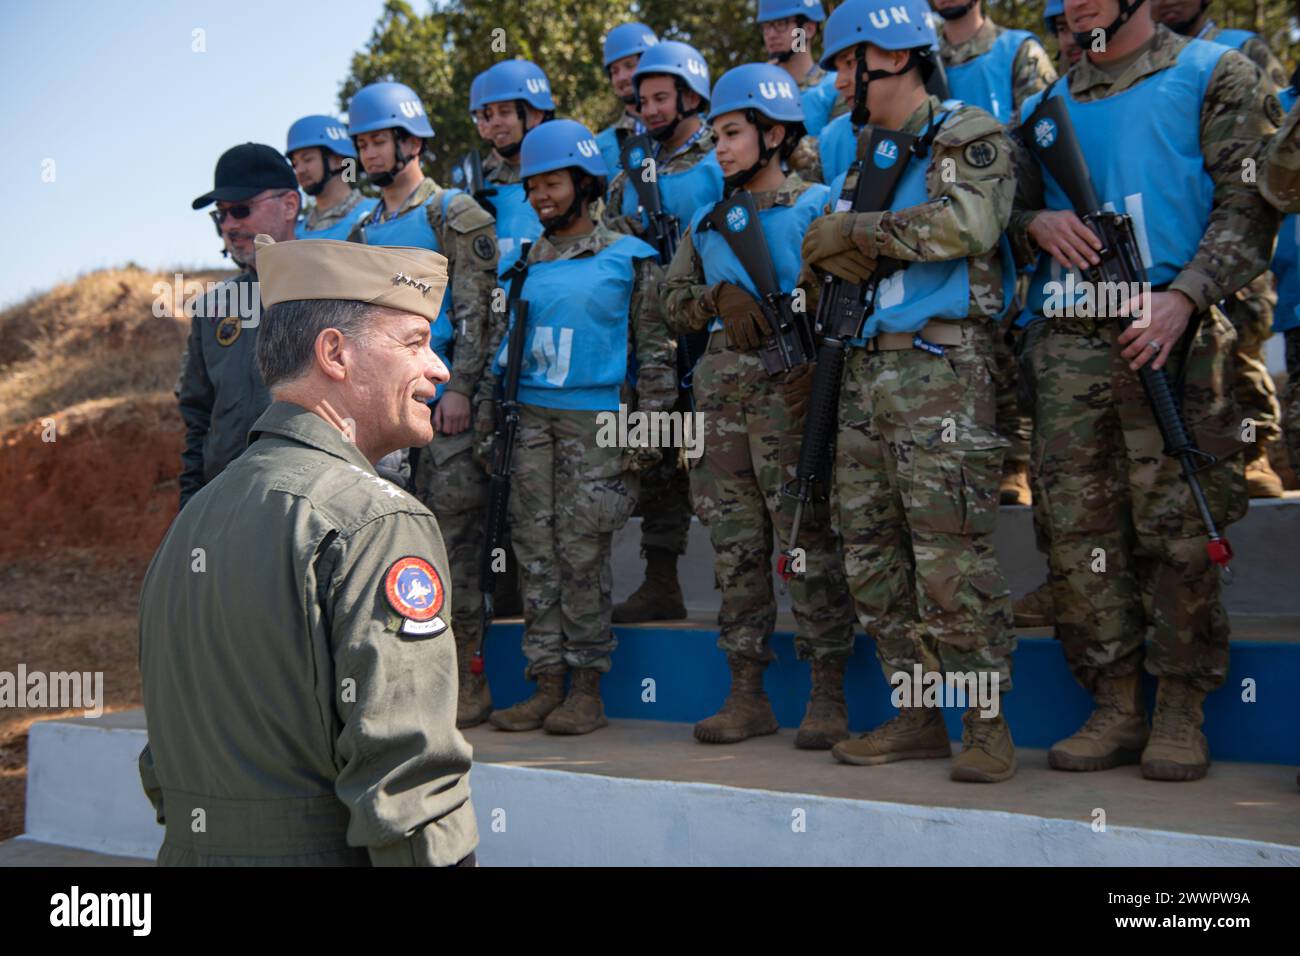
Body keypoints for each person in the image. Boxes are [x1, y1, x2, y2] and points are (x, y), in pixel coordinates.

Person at [138, 236, 477, 865]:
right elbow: (408, 783)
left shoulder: (193, 522)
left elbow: (165, 765)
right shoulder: (376, 518)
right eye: (413, 342)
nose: (440, 368)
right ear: (335, 353)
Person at [1010, 0, 1277, 780]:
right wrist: (1033, 223)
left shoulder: (1214, 74)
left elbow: (1251, 202)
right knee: (1078, 529)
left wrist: (1188, 293)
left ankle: (1181, 710)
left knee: (1178, 529)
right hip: (1067, 343)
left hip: (1175, 331)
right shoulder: (1043, 107)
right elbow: (1004, 206)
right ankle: (1116, 703)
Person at [802, 0, 1018, 781]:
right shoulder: (862, 152)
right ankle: (916, 712)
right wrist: (822, 252)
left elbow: (967, 225)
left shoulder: (967, 133)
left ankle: (986, 724)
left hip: (940, 372)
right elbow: (834, 245)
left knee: (950, 556)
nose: (835, 79)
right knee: (871, 556)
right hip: (862, 370)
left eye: (841, 62)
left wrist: (856, 235)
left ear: (881, 58)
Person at [663, 63, 857, 748]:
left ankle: (827, 692)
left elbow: (842, 300)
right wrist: (717, 298)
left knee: (806, 539)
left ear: (773, 133)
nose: (720, 147)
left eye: (734, 133)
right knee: (734, 547)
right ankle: (746, 691)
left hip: (791, 392)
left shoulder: (818, 204)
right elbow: (668, 301)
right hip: (720, 399)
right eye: (715, 134)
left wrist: (823, 372)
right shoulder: (708, 218)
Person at [475, 120, 675, 735]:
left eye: (553, 182)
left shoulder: (631, 258)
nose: (540, 196)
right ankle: (545, 684)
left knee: (582, 553)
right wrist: (487, 419)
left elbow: (657, 354)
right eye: (532, 184)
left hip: (598, 421)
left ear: (585, 183)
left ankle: (586, 688)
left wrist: (649, 434)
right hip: (528, 419)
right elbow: (495, 348)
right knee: (535, 556)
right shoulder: (520, 265)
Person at [346, 80, 502, 728]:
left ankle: (469, 684)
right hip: (381, 414)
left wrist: (461, 387)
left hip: (444, 407)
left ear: (411, 142)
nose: (366, 151)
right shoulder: (361, 228)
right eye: (359, 141)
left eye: (376, 139)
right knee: (385, 547)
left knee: (455, 545)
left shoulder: (455, 214)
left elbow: (475, 310)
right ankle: (402, 682)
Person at [605, 40, 725, 623]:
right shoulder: (630, 165)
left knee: (719, 454)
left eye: (661, 97)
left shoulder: (720, 154)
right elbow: (606, 240)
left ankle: (743, 584)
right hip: (646, 337)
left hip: (710, 325)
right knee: (652, 454)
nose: (648, 108)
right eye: (642, 99)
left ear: (690, 95)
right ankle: (660, 581)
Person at [1151, 0, 1288, 497]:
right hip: (1176, 240)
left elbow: (1274, 149)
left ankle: (1254, 456)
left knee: (1244, 347)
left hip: (1233, 238)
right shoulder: (1144, 65)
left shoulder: (1239, 51)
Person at [179, 143, 299, 509]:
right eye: (222, 216)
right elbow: (197, 415)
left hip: (303, 509)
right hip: (224, 506)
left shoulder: (334, 294)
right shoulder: (211, 310)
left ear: (290, 205)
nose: (229, 225)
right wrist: (191, 505)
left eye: (241, 210)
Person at [478, 59, 554, 271]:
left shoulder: (572, 178)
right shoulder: (479, 187)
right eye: (489, 114)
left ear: (536, 115)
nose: (494, 122)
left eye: (505, 112)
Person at [757, 0, 844, 137]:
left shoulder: (837, 86)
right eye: (766, 26)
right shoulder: (758, 90)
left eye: (781, 24)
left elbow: (839, 148)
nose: (771, 35)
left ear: (808, 29)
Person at [286, 115, 376, 240]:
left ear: (338, 160)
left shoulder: (376, 216)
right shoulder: (295, 233)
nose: (299, 170)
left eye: (308, 159)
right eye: (295, 164)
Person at [595, 22, 657, 176]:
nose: (621, 77)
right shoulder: (601, 146)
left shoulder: (701, 134)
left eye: (629, 65)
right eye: (614, 71)